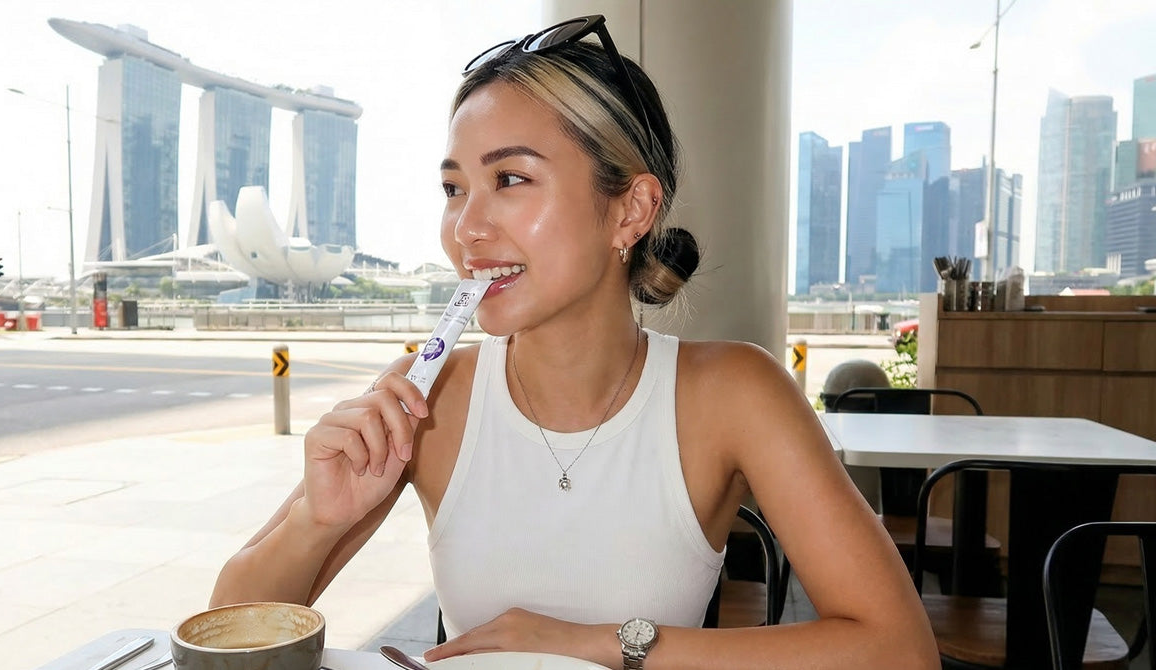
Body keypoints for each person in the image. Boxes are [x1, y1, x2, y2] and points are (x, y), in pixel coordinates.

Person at [211, 14, 939, 669]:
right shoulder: (429, 393)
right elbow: (220, 629)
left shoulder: (733, 394)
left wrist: (598, 642)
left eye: (511, 178)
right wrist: (316, 520)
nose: (465, 229)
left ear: (631, 209)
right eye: (455, 187)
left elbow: (899, 648)